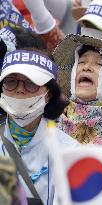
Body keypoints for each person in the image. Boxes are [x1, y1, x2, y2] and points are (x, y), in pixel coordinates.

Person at [0, 49, 78, 204]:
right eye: (11, 81)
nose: (20, 89)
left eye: (31, 83)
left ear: (48, 94)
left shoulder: (70, 151)